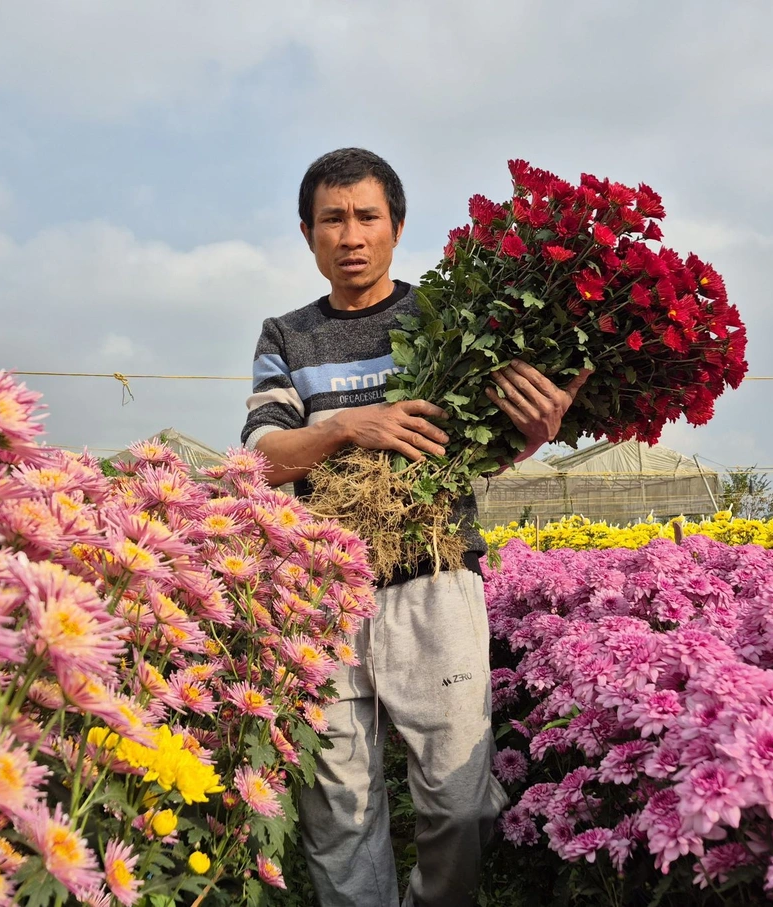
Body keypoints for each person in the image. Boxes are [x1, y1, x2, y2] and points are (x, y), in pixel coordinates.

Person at [240, 148, 589, 907]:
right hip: (324, 594)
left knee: (460, 801)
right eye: (332, 219)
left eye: (367, 216)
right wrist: (347, 428)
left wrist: (536, 430)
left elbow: (486, 444)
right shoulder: (287, 336)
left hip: (434, 577)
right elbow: (263, 459)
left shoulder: (440, 320)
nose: (351, 235)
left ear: (397, 226)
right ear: (307, 234)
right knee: (338, 812)